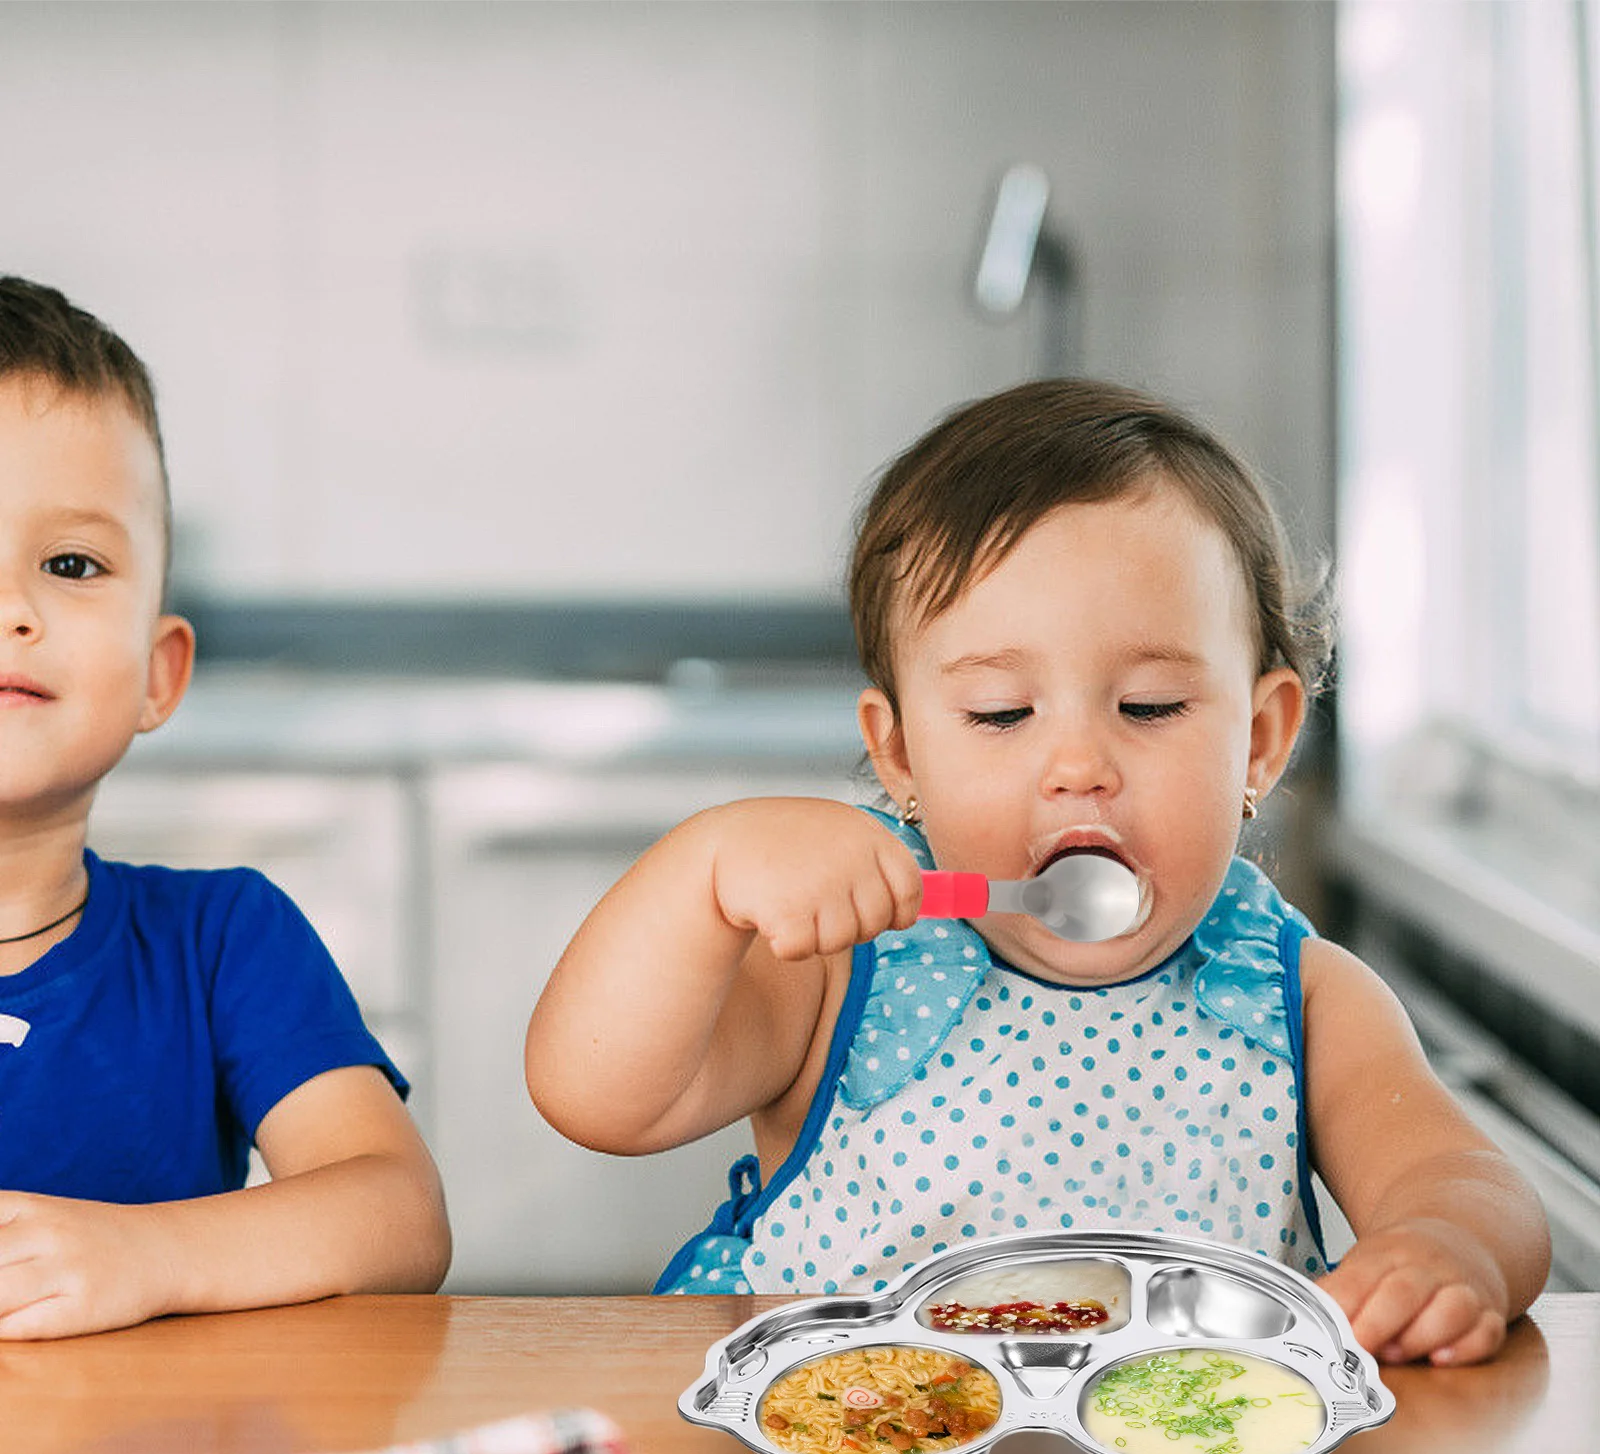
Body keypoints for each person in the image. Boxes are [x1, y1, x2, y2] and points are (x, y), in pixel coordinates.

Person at [524, 378, 1549, 1366]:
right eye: (1001, 714)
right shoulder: (846, 965)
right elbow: (599, 1095)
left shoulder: (1303, 1000)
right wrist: (697, 873)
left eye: (1148, 707)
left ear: (1260, 741)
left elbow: (1465, 1180)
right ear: (902, 758)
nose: (1078, 768)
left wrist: (1445, 1248)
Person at [0, 276, 450, 1339]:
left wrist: (148, 1254)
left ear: (160, 674)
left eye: (70, 563)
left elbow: (400, 1215)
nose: (12, 608)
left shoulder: (224, 940)